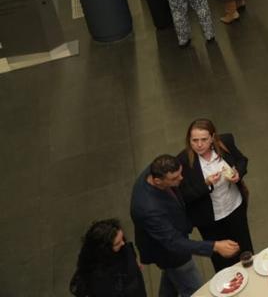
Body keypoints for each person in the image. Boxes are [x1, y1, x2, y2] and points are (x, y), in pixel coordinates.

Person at [131, 154, 238, 297]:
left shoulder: (157, 169)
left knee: (172, 278)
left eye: (180, 173)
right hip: (169, 252)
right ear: (157, 181)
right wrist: (215, 246)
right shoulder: (148, 209)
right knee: (195, 290)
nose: (181, 179)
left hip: (172, 235)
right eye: (174, 178)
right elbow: (173, 242)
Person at [177, 119, 253, 271]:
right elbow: (183, 195)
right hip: (210, 220)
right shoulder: (183, 161)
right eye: (194, 140)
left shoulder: (225, 143)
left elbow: (242, 160)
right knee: (222, 262)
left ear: (212, 137)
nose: (199, 145)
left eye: (204, 140)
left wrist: (238, 173)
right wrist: (206, 184)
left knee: (245, 251)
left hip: (235, 209)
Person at [68, 218, 146, 297]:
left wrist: (134, 264)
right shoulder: (98, 279)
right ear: (105, 248)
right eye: (117, 243)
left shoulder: (120, 249)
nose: (123, 243)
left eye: (122, 238)